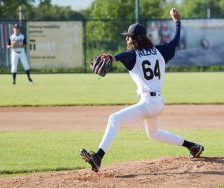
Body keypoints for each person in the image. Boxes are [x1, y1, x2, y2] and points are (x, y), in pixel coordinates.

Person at [80, 8, 204, 172]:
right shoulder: (160, 51)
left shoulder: (133, 55)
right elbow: (175, 41)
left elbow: (121, 57)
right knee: (153, 134)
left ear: (134, 39)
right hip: (158, 102)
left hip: (148, 103)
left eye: (128, 37)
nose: (126, 39)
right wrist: (177, 22)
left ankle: (98, 158)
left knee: (114, 119)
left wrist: (111, 58)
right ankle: (193, 146)